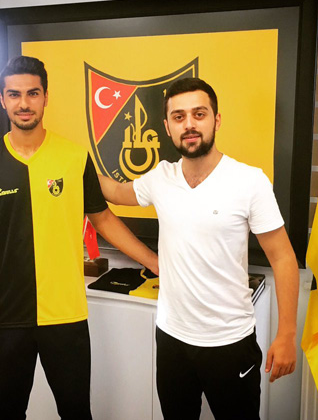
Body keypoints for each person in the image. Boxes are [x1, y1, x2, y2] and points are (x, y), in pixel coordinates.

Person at [0, 55, 158, 420]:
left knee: (76, 411)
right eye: (14, 94)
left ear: (46, 97)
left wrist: (156, 263)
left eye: (32, 93)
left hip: (65, 315)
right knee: (9, 414)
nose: (24, 103)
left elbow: (103, 219)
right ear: (2, 99)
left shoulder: (74, 157)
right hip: (5, 315)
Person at [99, 77, 299, 419]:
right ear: (167, 127)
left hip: (230, 343)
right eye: (179, 117)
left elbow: (283, 258)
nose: (189, 124)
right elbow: (116, 193)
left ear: (216, 120)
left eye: (199, 114)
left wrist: (287, 334)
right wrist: (74, 164)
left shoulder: (250, 181)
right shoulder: (161, 177)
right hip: (171, 339)